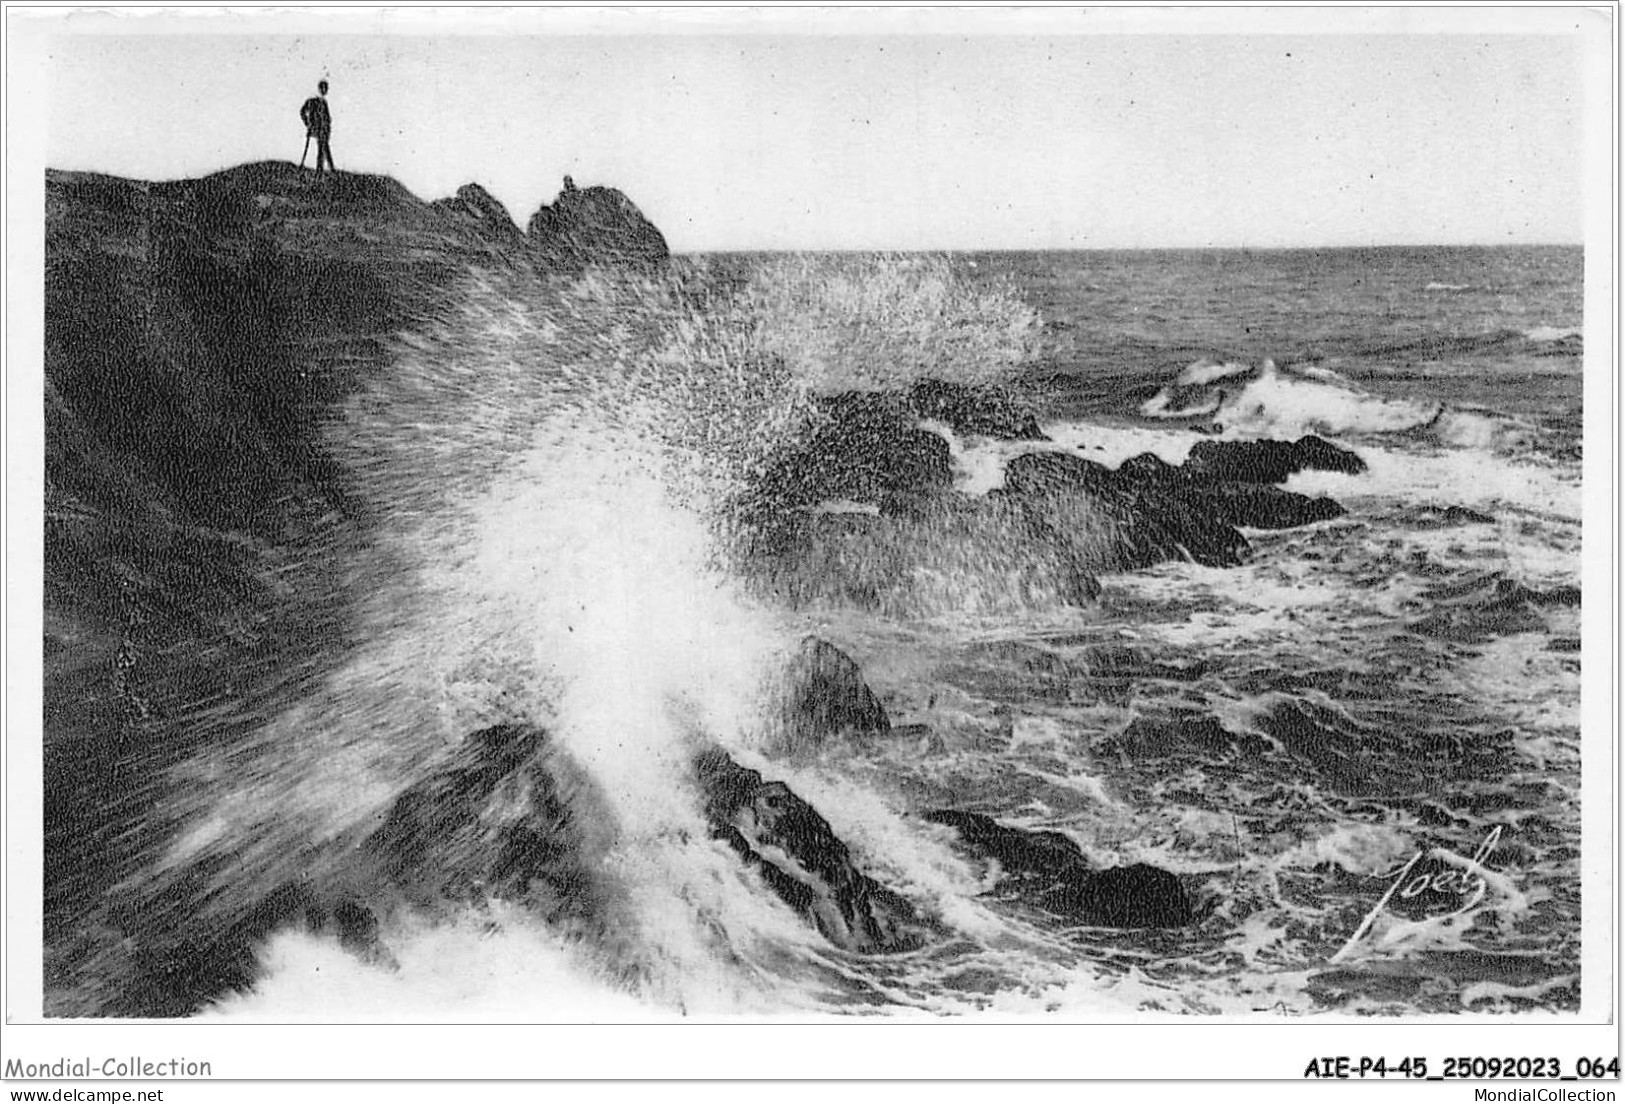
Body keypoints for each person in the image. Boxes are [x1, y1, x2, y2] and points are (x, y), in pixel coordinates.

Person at [300, 80, 335, 174]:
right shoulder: (313, 100)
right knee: (323, 149)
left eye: (326, 89)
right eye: (324, 89)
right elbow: (302, 112)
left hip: (324, 130)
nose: (325, 91)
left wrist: (327, 127)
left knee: (324, 149)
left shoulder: (323, 102)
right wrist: (308, 124)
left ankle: (329, 170)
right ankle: (324, 171)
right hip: (318, 129)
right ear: (320, 89)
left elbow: (326, 117)